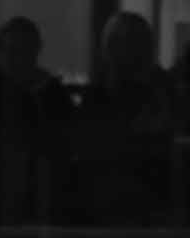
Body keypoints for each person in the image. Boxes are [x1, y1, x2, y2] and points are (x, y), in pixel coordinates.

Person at [73, 11, 176, 225]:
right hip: (101, 214)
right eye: (116, 44)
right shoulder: (96, 96)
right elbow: (85, 154)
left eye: (132, 43)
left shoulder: (166, 92)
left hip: (162, 218)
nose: (123, 53)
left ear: (146, 48)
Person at [0, 16, 76, 225]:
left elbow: (67, 139)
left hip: (44, 193)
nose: (18, 59)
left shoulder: (50, 91)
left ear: (36, 53)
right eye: (12, 51)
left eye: (25, 51)